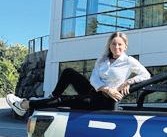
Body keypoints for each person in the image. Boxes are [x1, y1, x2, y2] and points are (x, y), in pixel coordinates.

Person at [6, 32, 150, 116]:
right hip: (96, 89)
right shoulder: (103, 59)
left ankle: (24, 105)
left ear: (125, 46)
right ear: (109, 45)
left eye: (119, 44)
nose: (116, 47)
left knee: (66, 100)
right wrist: (105, 88)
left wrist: (128, 82)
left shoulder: (129, 61)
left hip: (105, 100)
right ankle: (51, 97)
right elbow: (94, 78)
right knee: (68, 72)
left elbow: (146, 75)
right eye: (113, 44)